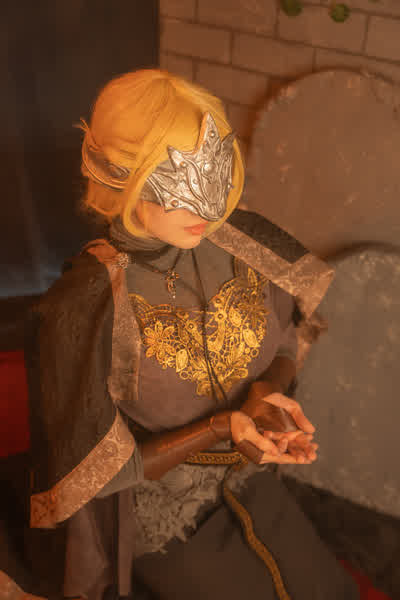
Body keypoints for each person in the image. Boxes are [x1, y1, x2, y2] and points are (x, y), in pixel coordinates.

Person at [21, 69, 358, 600]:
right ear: (123, 177)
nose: (206, 209)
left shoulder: (243, 244)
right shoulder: (89, 302)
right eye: (178, 185)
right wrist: (220, 426)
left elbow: (288, 336)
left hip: (248, 479)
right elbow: (96, 474)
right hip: (157, 519)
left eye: (215, 175)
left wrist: (266, 392)